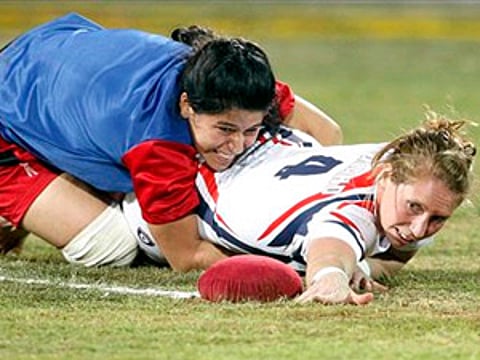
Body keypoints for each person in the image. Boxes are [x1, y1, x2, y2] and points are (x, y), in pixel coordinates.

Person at [0, 13, 341, 270]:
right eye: (224, 130)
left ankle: (40, 198)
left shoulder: (230, 80)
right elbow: (186, 255)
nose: (237, 145)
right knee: (112, 244)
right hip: (9, 106)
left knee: (117, 174)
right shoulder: (157, 143)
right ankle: (17, 208)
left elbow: (327, 133)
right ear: (185, 105)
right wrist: (310, 265)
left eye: (250, 130)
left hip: (49, 58)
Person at [123, 111, 476, 305]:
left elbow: (395, 251)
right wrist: (330, 277)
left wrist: (363, 265)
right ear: (384, 175)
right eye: (414, 208)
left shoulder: (405, 164)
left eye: (438, 219)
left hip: (255, 142)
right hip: (177, 187)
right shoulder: (355, 213)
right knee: (95, 239)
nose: (418, 228)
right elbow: (332, 244)